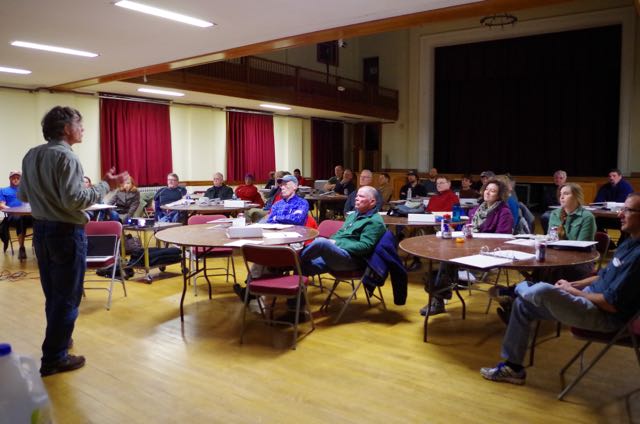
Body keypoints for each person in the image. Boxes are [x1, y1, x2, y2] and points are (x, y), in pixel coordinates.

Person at [480, 192, 640, 386]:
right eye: (622, 209)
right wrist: (573, 285)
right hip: (589, 297)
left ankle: (514, 290)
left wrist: (573, 292)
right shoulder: (629, 243)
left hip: (603, 315)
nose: (620, 214)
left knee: (542, 291)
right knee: (524, 304)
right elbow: (603, 275)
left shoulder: (638, 257)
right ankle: (513, 368)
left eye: (628, 210)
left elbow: (611, 304)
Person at [18, 106, 127, 377]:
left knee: (54, 294)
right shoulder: (67, 158)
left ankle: (60, 341)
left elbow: (23, 195)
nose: (83, 129)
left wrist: (47, 198)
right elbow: (75, 200)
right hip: (65, 233)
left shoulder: (32, 155)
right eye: (80, 124)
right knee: (68, 297)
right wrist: (106, 185)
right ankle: (55, 357)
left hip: (41, 232)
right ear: (66, 128)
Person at [421, 178, 514, 316]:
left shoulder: (504, 212)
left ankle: (438, 299)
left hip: (488, 253)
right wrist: (460, 232)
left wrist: (475, 239)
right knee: (445, 258)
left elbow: (502, 240)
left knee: (446, 263)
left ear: (499, 195)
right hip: (469, 248)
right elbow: (468, 229)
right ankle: (438, 296)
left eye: (493, 191)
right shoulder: (476, 210)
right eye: (487, 189)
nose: (488, 193)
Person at [300, 186, 386, 277]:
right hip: (339, 254)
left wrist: (335, 243)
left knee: (321, 242)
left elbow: (365, 247)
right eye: (357, 196)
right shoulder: (354, 215)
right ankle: (298, 285)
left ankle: (294, 258)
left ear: (372, 202)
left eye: (361, 196)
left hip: (353, 260)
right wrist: (334, 242)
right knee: (302, 266)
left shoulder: (375, 221)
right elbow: (340, 233)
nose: (356, 198)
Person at [0, 170, 33, 260]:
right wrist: (11, 209)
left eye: (18, 177)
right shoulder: (3, 190)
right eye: (13, 177)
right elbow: (1, 205)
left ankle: (40, 247)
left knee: (40, 219)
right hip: (13, 216)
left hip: (28, 215)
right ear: (10, 179)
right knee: (20, 219)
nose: (15, 179)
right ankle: (22, 248)